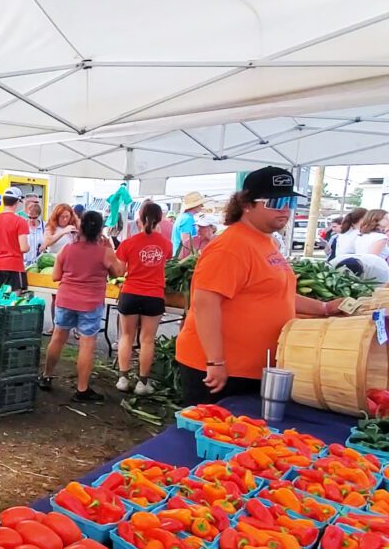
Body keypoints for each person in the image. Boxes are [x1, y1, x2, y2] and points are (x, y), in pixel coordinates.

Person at [175, 166, 343, 404]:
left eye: (289, 202)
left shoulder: (267, 242)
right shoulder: (230, 247)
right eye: (275, 202)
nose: (285, 209)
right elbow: (205, 304)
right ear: (247, 204)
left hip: (253, 368)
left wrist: (324, 309)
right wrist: (215, 361)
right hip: (222, 371)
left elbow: (277, 295)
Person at [38, 211, 123, 402]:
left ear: (80, 226)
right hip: (90, 303)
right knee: (86, 344)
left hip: (65, 299)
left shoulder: (67, 249)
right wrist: (109, 246)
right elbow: (118, 272)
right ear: (100, 230)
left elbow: (55, 277)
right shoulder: (105, 252)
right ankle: (82, 390)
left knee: (58, 337)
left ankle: (46, 376)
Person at [115, 202, 173, 395]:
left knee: (126, 336)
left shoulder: (128, 243)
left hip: (130, 292)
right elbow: (166, 262)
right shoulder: (166, 244)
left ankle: (123, 379)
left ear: (139, 217)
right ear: (160, 219)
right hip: (154, 295)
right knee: (147, 340)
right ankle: (143, 383)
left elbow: (120, 271)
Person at [0, 187, 31, 289]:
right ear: (17, 202)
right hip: (14, 266)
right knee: (14, 301)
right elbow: (24, 248)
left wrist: (2, 248)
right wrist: (28, 247)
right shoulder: (20, 221)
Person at [171, 191, 205, 256]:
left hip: (178, 255)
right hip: (182, 257)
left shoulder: (183, 216)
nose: (202, 207)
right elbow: (186, 243)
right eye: (201, 204)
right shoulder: (188, 219)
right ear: (196, 205)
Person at [23, 193, 46, 265]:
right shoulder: (22, 225)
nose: (32, 220)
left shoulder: (44, 226)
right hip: (24, 263)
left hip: (40, 263)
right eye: (30, 217)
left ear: (39, 215)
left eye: (34, 218)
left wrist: (45, 245)